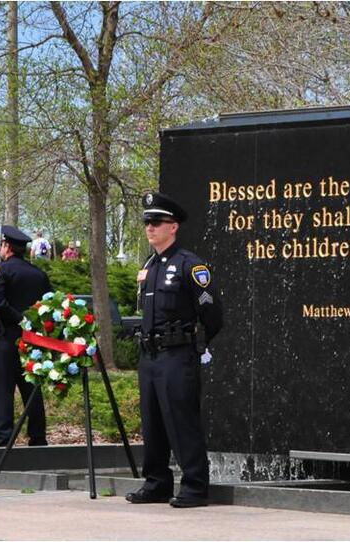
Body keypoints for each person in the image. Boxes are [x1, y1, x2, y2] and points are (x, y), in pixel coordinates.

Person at [125, 192, 223, 508]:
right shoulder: (149, 265)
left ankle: (194, 486)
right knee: (153, 423)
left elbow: (213, 315)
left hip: (178, 356)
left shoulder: (189, 265)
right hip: (150, 356)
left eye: (157, 222)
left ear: (173, 226)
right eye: (147, 223)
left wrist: (197, 344)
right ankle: (157, 482)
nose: (150, 228)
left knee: (182, 421)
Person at [0, 225, 52, 447]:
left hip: (6, 337)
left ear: (7, 247)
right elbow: (49, 304)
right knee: (32, 389)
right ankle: (38, 436)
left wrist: (18, 318)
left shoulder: (2, 270)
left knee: (3, 390)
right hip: (32, 341)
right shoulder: (39, 274)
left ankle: (3, 438)